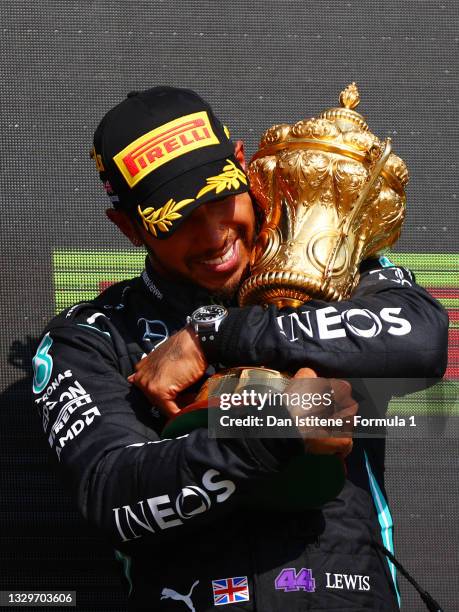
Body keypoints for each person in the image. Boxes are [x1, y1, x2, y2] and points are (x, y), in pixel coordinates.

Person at [32, 87, 448, 611]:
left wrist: (215, 333)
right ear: (130, 228)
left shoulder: (330, 270)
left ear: (242, 165)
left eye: (217, 197)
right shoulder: (91, 335)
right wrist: (271, 432)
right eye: (176, 219)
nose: (213, 235)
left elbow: (423, 339)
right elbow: (112, 496)